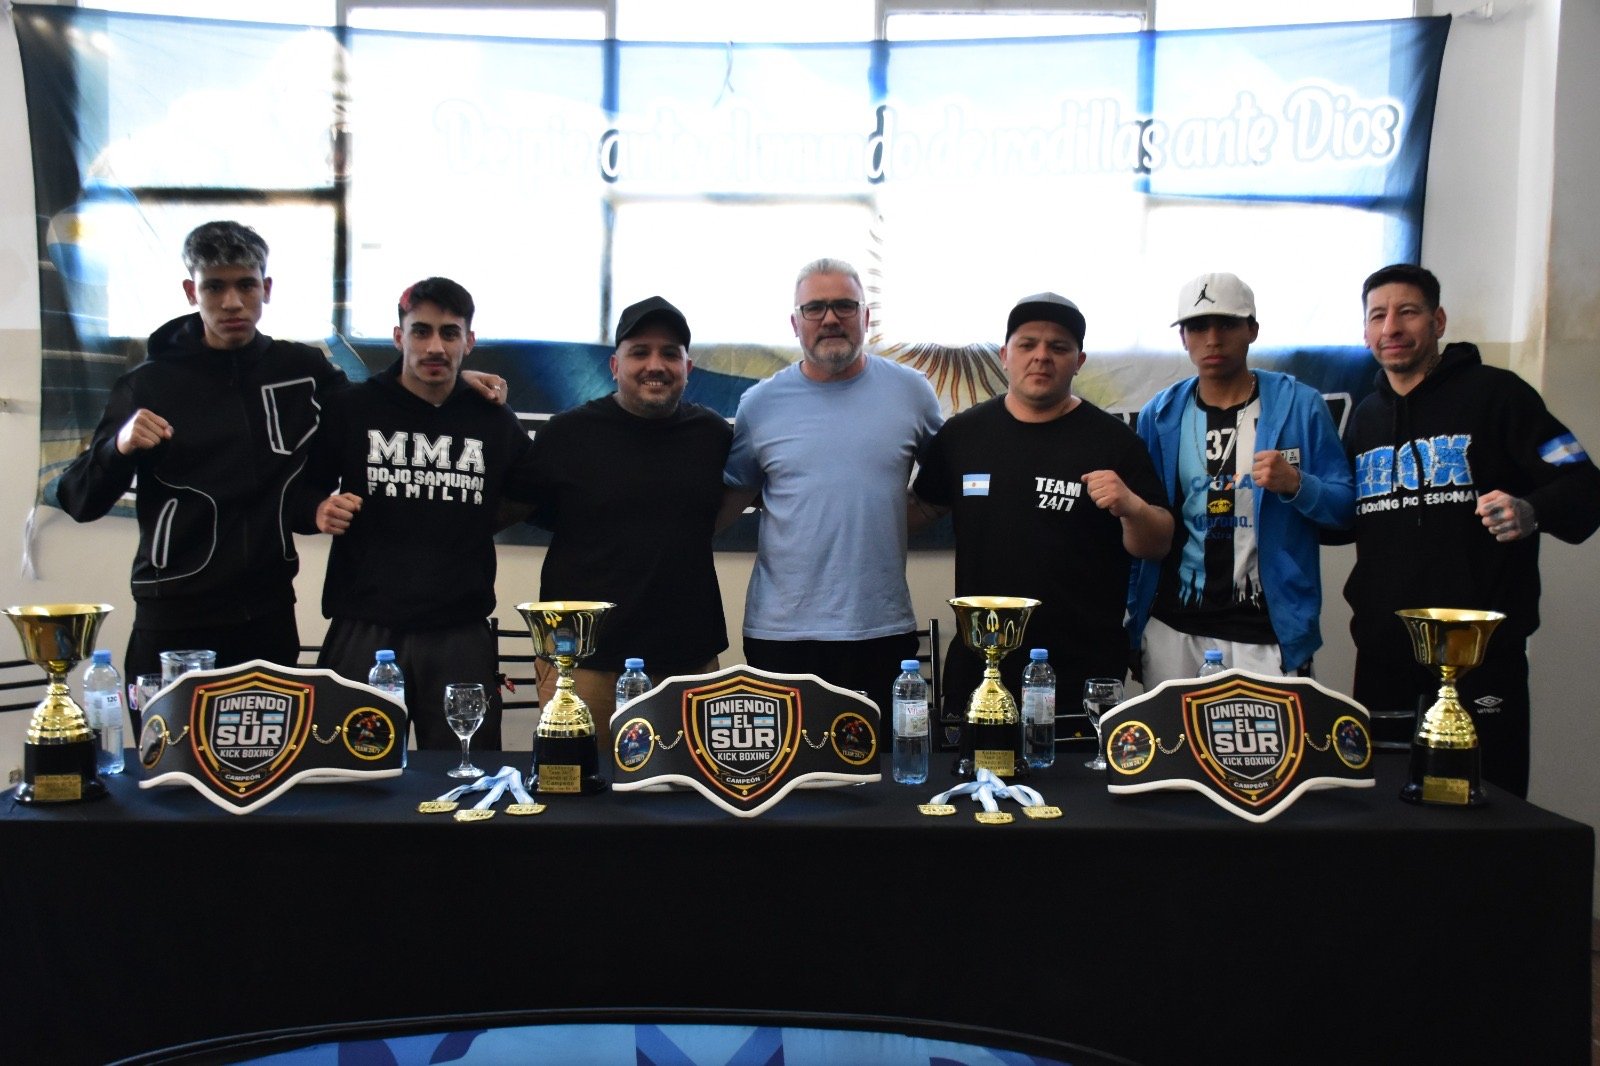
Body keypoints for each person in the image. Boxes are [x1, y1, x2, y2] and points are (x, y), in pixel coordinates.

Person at [1344, 263, 1600, 797]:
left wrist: (1531, 509)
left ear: (1437, 321)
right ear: (1365, 332)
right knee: (1381, 812)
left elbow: (1584, 484)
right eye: (1378, 316)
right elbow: (1341, 518)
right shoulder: (1365, 418)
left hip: (1481, 659)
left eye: (1407, 312)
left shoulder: (1499, 395)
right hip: (1385, 656)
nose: (1391, 327)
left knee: (1488, 811)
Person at [56, 221, 347, 678]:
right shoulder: (148, 384)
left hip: (268, 613)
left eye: (246, 285)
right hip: (174, 614)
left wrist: (452, 386)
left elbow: (373, 410)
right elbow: (79, 500)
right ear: (192, 292)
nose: (232, 302)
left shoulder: (301, 369)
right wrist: (119, 446)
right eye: (214, 287)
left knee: (276, 730)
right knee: (167, 731)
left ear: (266, 289)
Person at [910, 292, 1171, 739]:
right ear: (1004, 355)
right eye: (1028, 344)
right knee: (977, 784)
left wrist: (1130, 506)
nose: (1042, 356)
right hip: (980, 671)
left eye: (1059, 347)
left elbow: (1158, 543)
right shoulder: (962, 435)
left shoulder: (1114, 442)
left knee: (1081, 786)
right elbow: (919, 510)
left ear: (1079, 361)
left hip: (1081, 674)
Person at [296, 277, 537, 750]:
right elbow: (300, 489)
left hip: (459, 630)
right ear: (398, 337)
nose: (435, 346)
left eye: (449, 333)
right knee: (347, 770)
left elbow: (533, 492)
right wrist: (317, 509)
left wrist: (475, 522)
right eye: (420, 331)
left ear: (469, 341)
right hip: (364, 622)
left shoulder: (492, 419)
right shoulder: (353, 408)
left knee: (467, 772)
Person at [720, 258, 943, 720]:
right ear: (795, 323)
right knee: (787, 763)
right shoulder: (759, 405)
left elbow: (947, 481)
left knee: (882, 762)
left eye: (844, 305)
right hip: (780, 634)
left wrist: (889, 521)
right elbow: (731, 499)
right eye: (814, 308)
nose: (830, 319)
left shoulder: (912, 392)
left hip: (880, 629)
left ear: (866, 317)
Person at [1127, 272, 1354, 685]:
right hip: (1173, 626)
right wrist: (1133, 612)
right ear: (1183, 338)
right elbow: (1143, 523)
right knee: (1175, 730)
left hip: (1267, 631)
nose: (1213, 339)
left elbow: (1345, 510)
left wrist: (1298, 484)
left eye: (1227, 324)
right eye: (1198, 327)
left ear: (1252, 330)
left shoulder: (1299, 405)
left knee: (1276, 732)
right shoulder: (1160, 415)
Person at [527, 296, 732, 748]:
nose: (655, 365)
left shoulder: (714, 436)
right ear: (615, 365)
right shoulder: (564, 435)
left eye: (669, 353)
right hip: (583, 665)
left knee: (689, 786)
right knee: (581, 785)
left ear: (688, 367)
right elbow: (522, 511)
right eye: (640, 352)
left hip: (687, 664)